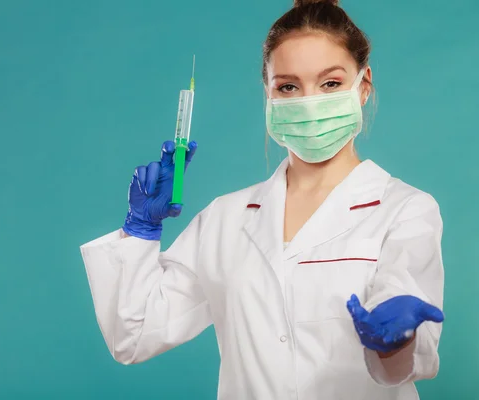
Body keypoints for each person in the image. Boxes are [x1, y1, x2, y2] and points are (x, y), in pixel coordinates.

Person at [79, 0, 445, 398]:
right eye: (288, 86)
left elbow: (406, 361)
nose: (308, 102)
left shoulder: (404, 210)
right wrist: (141, 230)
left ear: (364, 86)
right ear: (268, 94)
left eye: (330, 83)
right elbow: (134, 337)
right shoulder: (225, 218)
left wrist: (396, 342)